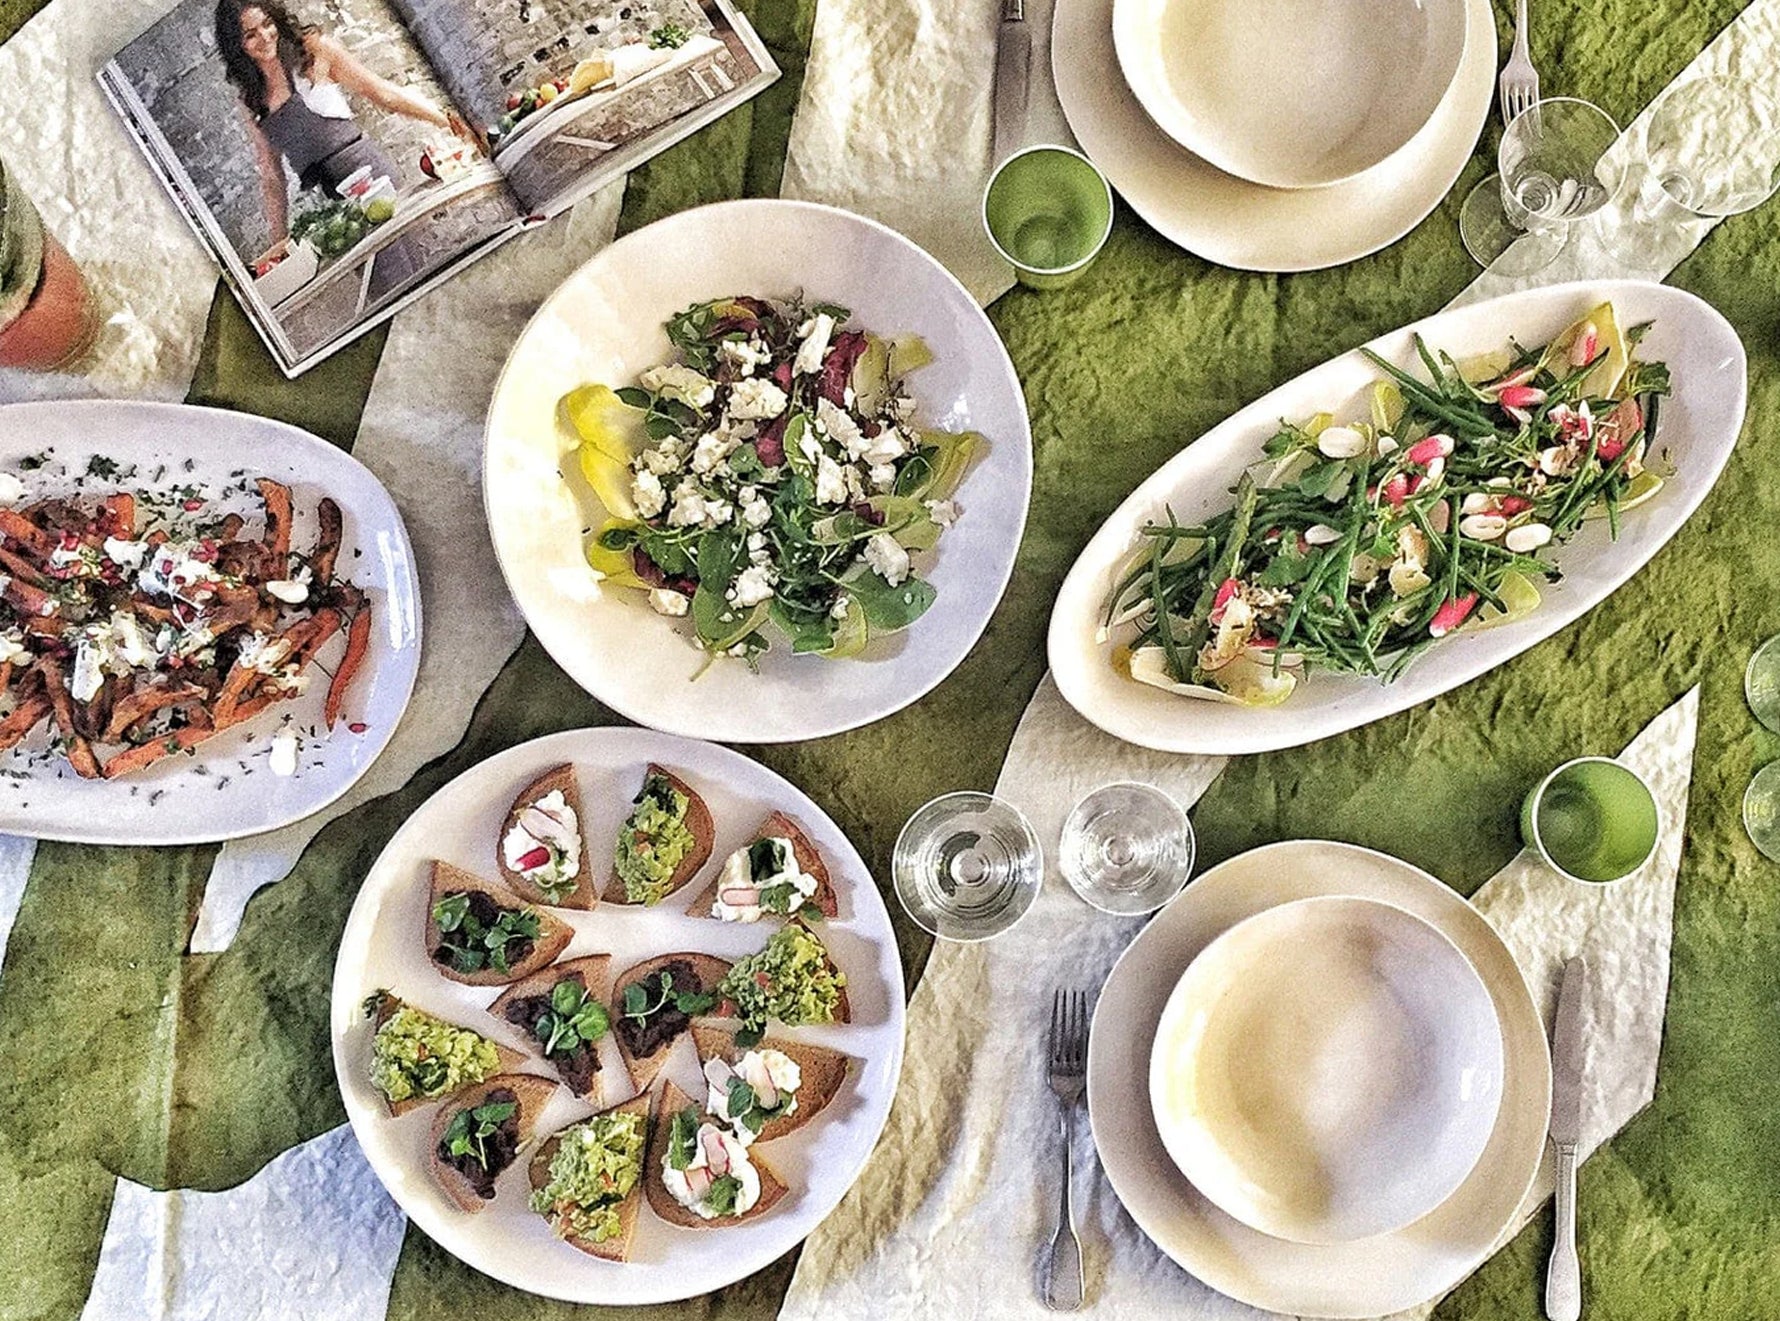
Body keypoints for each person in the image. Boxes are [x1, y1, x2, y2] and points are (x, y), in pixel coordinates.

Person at [216, 0, 470, 286]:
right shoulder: (251, 100)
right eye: (250, 34)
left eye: (267, 24)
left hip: (370, 178)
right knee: (380, 286)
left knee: (410, 269)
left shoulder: (312, 52)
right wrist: (278, 249)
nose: (264, 37)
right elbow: (271, 176)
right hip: (337, 207)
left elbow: (382, 93)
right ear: (237, 46)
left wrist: (447, 121)